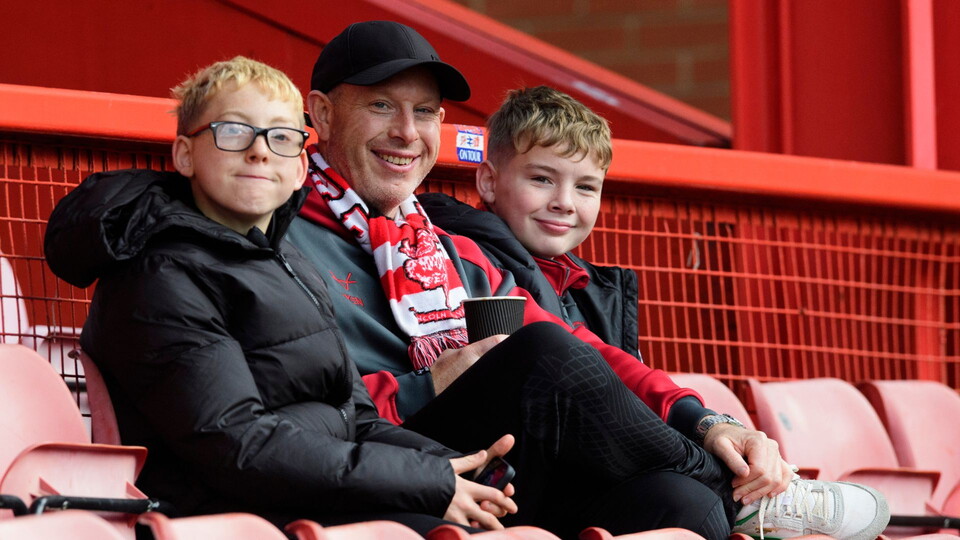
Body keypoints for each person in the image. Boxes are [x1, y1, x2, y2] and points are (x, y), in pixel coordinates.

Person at [285, 20, 889, 540]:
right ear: (322, 113)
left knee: (684, 506)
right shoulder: (279, 243)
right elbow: (295, 408)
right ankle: (753, 500)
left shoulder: (450, 250)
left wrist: (710, 424)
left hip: (505, 474)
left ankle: (733, 497)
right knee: (541, 353)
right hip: (388, 463)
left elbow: (587, 352)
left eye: (423, 113)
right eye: (381, 106)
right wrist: (425, 387)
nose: (406, 133)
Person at [43, 56, 518, 536]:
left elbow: (355, 418)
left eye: (282, 138)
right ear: (185, 155)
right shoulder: (158, 273)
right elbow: (238, 446)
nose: (259, 152)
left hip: (310, 496)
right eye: (233, 132)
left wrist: (456, 467)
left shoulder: (288, 264)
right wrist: (425, 481)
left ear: (299, 169)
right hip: (225, 514)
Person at [420, 85, 639, 358]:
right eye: (541, 179)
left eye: (585, 187)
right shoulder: (464, 266)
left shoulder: (590, 290)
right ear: (489, 182)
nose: (565, 202)